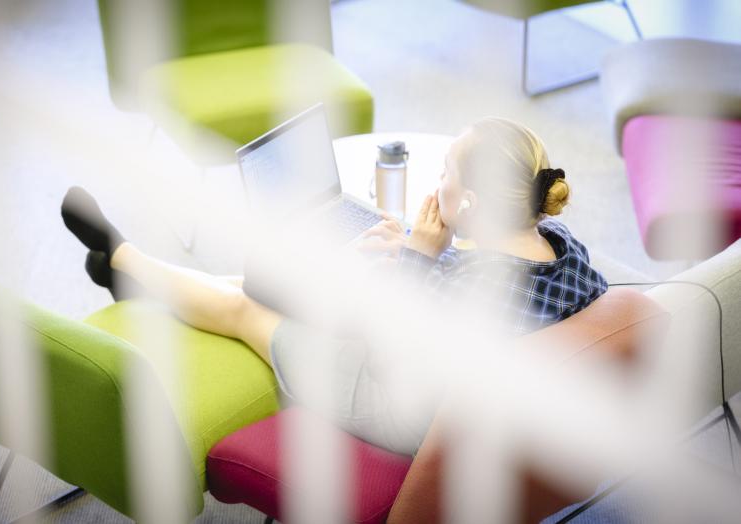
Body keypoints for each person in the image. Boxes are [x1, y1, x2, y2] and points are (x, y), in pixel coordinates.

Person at [60, 117, 607, 454]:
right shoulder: (564, 248)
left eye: (446, 172)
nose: (438, 181)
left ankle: (123, 255)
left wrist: (417, 259)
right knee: (270, 284)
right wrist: (416, 255)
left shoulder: (463, 291)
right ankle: (138, 280)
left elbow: (390, 359)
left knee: (248, 306)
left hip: (404, 409)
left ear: (471, 202)